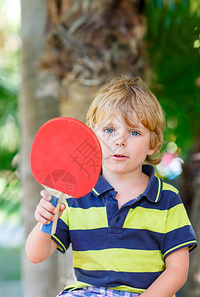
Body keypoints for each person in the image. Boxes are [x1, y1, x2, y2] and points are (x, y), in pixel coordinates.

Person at [26, 76, 197, 297]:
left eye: (134, 132)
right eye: (109, 130)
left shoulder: (167, 199)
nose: (119, 140)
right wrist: (45, 223)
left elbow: (177, 270)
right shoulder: (75, 196)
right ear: (90, 138)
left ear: (153, 144)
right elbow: (36, 254)